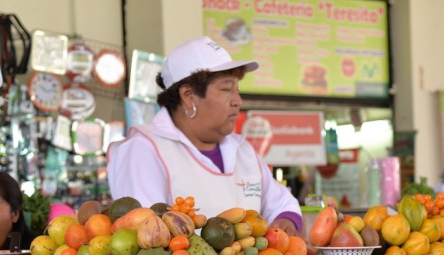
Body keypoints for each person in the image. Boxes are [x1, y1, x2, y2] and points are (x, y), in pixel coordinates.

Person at [107, 36, 302, 235]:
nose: (237, 101)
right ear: (189, 96)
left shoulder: (243, 151)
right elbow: (147, 236)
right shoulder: (144, 150)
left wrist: (286, 221)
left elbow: (282, 204)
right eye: (226, 89)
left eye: (237, 90)